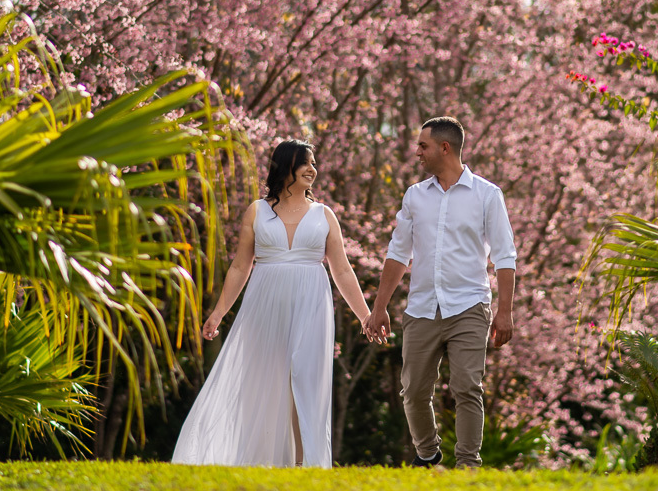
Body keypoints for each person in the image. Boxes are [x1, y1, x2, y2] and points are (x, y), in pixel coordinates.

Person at [172, 140, 373, 468]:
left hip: (312, 304)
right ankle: (261, 460)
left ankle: (303, 463)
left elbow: (342, 270)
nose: (313, 169)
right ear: (285, 167)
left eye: (314, 162)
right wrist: (218, 314)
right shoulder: (257, 211)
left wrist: (365, 316)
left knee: (306, 377)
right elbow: (240, 266)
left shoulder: (325, 215)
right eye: (305, 163)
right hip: (264, 305)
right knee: (265, 381)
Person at [364, 116, 517, 468]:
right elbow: (397, 253)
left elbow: (505, 255)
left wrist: (505, 311)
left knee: (467, 387)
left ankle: (467, 465)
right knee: (414, 392)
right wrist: (380, 307)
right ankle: (428, 454)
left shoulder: (487, 195)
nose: (417, 152)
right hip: (421, 308)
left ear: (444, 148)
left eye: (423, 146)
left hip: (469, 306)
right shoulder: (415, 197)